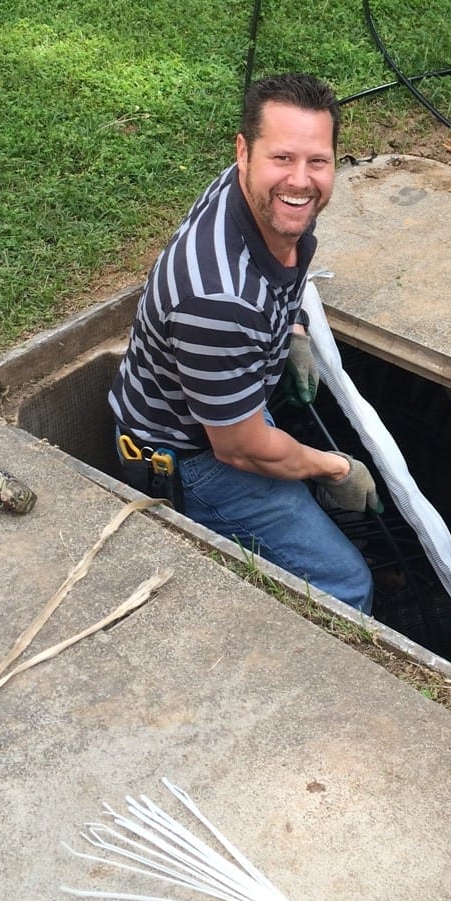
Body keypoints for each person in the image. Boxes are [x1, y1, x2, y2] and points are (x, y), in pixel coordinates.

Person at [108, 73, 379, 613]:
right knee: (348, 586)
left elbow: (284, 266)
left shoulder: (252, 194)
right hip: (191, 457)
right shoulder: (217, 301)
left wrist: (295, 329)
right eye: (282, 159)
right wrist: (336, 469)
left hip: (224, 412)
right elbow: (241, 448)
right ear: (244, 151)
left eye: (317, 161)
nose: (300, 182)